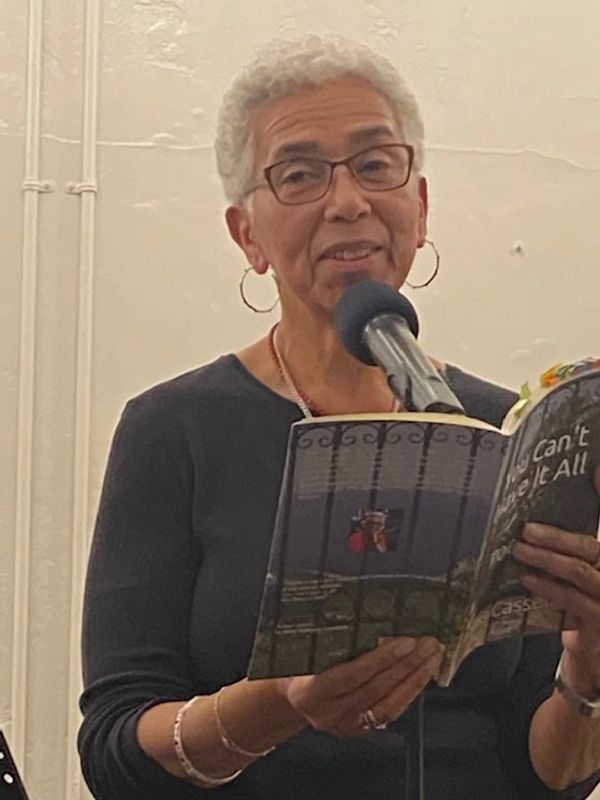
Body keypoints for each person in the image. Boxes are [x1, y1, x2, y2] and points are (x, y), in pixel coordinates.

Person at [78, 35, 600, 800]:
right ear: (246, 233)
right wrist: (276, 705)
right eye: (298, 174)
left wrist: (586, 664)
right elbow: (115, 751)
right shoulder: (175, 431)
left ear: (419, 206)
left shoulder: (500, 430)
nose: (348, 199)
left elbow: (542, 777)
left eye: (376, 163)